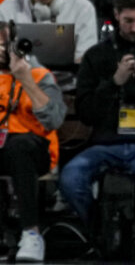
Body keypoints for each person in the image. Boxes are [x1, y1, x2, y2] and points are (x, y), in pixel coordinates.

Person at [61, 0, 135, 229]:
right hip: (104, 142)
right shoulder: (96, 55)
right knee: (71, 178)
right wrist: (114, 82)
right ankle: (98, 232)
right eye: (128, 21)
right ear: (116, 15)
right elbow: (86, 112)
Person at [0, 18, 65, 263]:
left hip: (34, 151)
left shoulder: (40, 75)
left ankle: (31, 233)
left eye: (5, 45)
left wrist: (24, 77)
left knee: (19, 145)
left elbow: (54, 120)